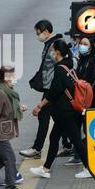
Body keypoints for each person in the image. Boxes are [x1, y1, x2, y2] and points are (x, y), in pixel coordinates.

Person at [30, 40, 91, 179]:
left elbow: (55, 91)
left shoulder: (60, 68)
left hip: (66, 112)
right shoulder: (69, 65)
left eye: (52, 50)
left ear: (57, 52)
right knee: (54, 138)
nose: (50, 52)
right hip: (68, 111)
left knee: (76, 140)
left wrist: (40, 105)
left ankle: (90, 168)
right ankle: (45, 168)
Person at [20, 20, 64, 159]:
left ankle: (37, 148)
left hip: (53, 87)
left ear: (45, 31)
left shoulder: (53, 46)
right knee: (59, 119)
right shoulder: (50, 44)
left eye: (38, 33)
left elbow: (59, 64)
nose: (37, 36)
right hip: (52, 87)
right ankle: (69, 145)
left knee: (43, 115)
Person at [64, 36, 95, 166]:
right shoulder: (82, 59)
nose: (81, 45)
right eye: (81, 43)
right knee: (76, 128)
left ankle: (88, 159)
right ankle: (78, 155)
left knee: (87, 130)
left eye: (85, 43)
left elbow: (90, 82)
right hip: (80, 100)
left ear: (91, 46)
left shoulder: (94, 61)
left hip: (88, 101)